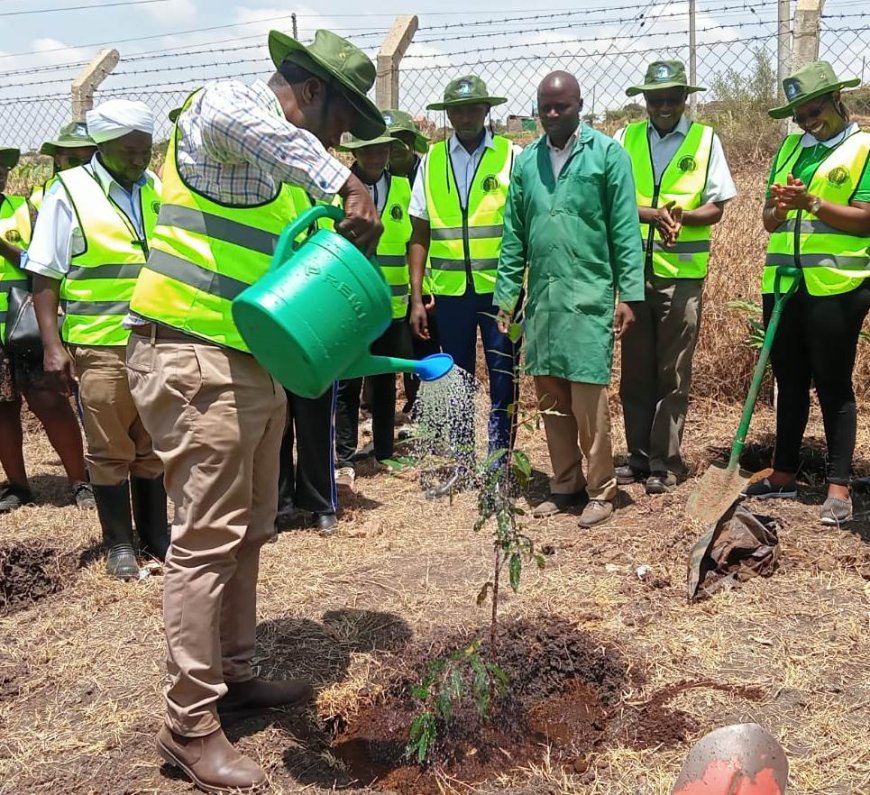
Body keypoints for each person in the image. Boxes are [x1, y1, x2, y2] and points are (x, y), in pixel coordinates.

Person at [124, 28, 383, 792]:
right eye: (339, 118)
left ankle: (232, 676)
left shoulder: (283, 179)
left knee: (248, 531)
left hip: (250, 367)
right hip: (190, 357)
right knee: (204, 541)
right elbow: (248, 123)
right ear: (307, 88)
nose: (340, 138)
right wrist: (345, 179)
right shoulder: (227, 108)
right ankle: (188, 725)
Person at [495, 71, 644, 528]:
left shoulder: (607, 156)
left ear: (580, 105)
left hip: (588, 294)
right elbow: (514, 233)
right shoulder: (527, 162)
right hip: (543, 298)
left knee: (587, 398)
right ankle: (565, 484)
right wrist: (506, 295)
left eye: (562, 106)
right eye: (545, 107)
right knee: (550, 397)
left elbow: (624, 229)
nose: (553, 114)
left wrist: (629, 294)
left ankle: (601, 490)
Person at [28, 101, 168, 576]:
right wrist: (53, 346)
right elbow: (44, 275)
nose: (138, 160)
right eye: (129, 151)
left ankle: (157, 537)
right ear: (102, 146)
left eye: (145, 151)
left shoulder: (155, 187)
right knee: (110, 447)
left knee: (152, 442)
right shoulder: (68, 191)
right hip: (100, 343)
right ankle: (120, 547)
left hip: (156, 339)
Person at [747, 61, 870, 525]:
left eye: (812, 110)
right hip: (783, 283)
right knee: (790, 379)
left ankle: (838, 488)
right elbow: (767, 220)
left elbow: (865, 218)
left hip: (836, 285)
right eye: (798, 115)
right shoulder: (789, 148)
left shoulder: (862, 148)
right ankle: (783, 474)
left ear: (837, 99)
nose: (805, 121)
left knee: (833, 384)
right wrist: (778, 209)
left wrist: (813, 202)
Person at [614, 60, 736, 494]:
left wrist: (686, 217)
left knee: (674, 370)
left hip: (682, 276)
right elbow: (610, 202)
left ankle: (665, 461)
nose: (664, 106)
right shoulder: (624, 139)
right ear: (644, 100)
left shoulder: (705, 140)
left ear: (686, 99)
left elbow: (718, 205)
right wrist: (651, 215)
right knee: (635, 370)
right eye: (655, 99)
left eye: (672, 98)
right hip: (633, 271)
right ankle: (638, 456)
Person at [408, 76, 521, 497]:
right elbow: (419, 231)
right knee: (456, 379)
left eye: (474, 107)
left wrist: (515, 289)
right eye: (459, 109)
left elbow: (523, 228)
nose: (467, 115)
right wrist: (417, 296)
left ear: (487, 110)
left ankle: (499, 466)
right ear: (448, 113)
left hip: (501, 293)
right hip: (451, 293)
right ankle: (461, 461)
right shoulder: (432, 160)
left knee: (503, 378)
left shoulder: (512, 156)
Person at [0, 147, 92, 513]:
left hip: (25, 327)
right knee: (2, 410)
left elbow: (40, 263)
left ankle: (80, 480)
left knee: (50, 403)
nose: (1, 173)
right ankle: (19, 486)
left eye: (3, 168)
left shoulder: (24, 211)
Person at [334, 131, 414, 485]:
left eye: (382, 148)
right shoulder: (339, 189)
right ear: (357, 151)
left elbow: (413, 240)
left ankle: (384, 449)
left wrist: (418, 292)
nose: (375, 156)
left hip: (391, 304)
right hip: (351, 305)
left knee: (384, 378)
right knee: (348, 380)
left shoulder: (402, 187)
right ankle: (343, 456)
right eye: (368, 148)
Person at [384, 109, 439, 416]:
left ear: (411, 142)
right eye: (386, 142)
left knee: (425, 348)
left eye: (400, 141)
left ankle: (424, 408)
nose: (393, 149)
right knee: (395, 349)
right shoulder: (376, 179)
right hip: (390, 285)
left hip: (430, 283)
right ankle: (400, 405)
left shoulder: (427, 173)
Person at [30, 122, 97, 212]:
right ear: (58, 160)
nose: (81, 167)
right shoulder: (39, 200)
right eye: (73, 161)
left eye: (88, 161)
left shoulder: (110, 192)